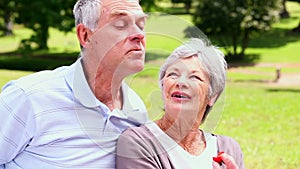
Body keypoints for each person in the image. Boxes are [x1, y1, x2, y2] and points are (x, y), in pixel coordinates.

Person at [0, 0, 148, 168]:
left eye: (141, 25)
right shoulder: (28, 98)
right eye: (121, 24)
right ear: (85, 35)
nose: (139, 35)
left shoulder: (136, 110)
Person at [116, 38, 245, 169]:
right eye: (173, 74)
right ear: (163, 87)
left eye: (194, 77)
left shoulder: (229, 149)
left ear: (212, 96)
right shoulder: (138, 143)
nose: (181, 82)